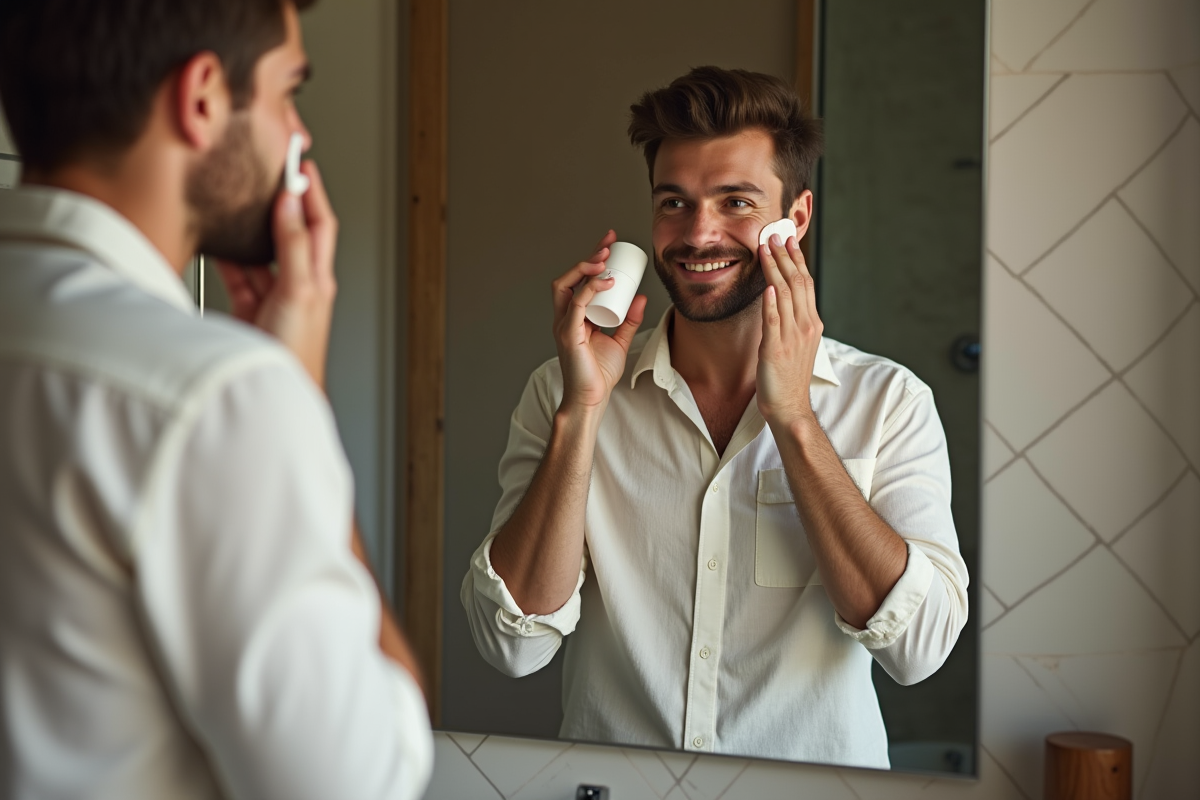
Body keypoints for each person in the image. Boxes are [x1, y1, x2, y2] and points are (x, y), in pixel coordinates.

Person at [462, 66, 969, 769]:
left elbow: (919, 652)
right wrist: (581, 414)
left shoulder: (888, 403)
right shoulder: (562, 392)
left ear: (796, 218)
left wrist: (793, 418)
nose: (698, 234)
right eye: (674, 202)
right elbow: (512, 646)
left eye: (736, 202)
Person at [0, 1, 432, 798]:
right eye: (286, 94)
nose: (296, 135)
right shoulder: (219, 399)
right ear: (201, 98)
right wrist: (297, 393)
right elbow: (362, 781)